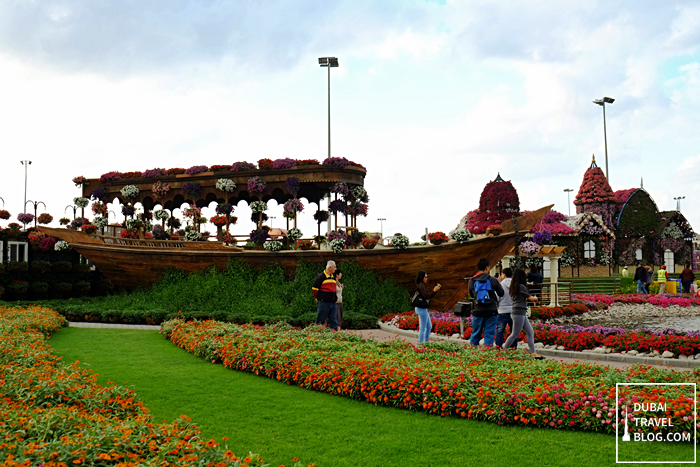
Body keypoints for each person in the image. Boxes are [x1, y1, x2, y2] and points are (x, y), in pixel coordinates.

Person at [502, 268, 544, 359]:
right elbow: (531, 298)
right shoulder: (521, 286)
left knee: (530, 332)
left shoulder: (514, 286)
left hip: (520, 312)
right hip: (518, 313)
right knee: (514, 334)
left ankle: (533, 353)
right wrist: (536, 298)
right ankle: (503, 350)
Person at [468, 258, 504, 347]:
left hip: (478, 310)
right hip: (491, 310)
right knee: (489, 334)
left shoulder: (472, 280)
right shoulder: (492, 280)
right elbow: (501, 293)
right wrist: (498, 283)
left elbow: (472, 295)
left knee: (476, 333)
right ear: (487, 268)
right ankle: (487, 354)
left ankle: (472, 354)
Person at [414, 270, 441, 343]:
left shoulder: (421, 285)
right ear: (421, 277)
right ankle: (421, 343)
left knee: (429, 326)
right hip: (421, 309)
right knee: (423, 328)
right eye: (425, 277)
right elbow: (426, 296)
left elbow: (428, 295)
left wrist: (434, 291)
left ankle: (426, 342)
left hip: (423, 309)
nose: (427, 278)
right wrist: (434, 291)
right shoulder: (421, 285)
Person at [312, 260, 338, 330]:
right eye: (334, 267)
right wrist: (317, 297)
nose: (335, 269)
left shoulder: (333, 276)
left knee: (334, 320)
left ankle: (335, 336)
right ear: (330, 268)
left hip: (333, 302)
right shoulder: (321, 277)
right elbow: (315, 289)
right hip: (324, 302)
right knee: (320, 319)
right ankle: (315, 333)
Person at [495, 268, 516, 348]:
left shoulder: (501, 285)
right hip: (513, 310)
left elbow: (497, 297)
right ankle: (513, 347)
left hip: (502, 310)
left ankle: (498, 346)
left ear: (504, 274)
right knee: (513, 331)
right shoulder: (515, 284)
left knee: (500, 330)